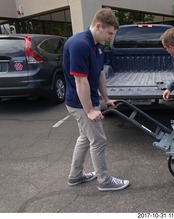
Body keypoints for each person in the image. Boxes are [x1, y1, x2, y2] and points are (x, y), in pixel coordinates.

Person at [62, 8, 130, 191]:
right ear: (98, 26)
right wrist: (90, 110)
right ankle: (105, 181)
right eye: (109, 33)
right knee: (99, 140)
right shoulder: (79, 44)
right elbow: (80, 80)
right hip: (79, 103)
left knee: (85, 138)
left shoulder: (98, 45)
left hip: (88, 100)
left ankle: (75, 176)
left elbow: (100, 74)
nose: (110, 37)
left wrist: (106, 99)